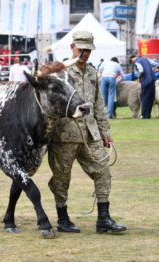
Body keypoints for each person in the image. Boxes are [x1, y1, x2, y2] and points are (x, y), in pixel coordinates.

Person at [48, 31, 127, 234]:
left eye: (87, 50)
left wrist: (105, 132)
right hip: (65, 135)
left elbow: (99, 104)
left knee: (103, 172)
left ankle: (104, 219)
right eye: (80, 49)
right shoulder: (60, 72)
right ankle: (63, 219)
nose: (84, 53)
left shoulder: (92, 72)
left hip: (91, 133)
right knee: (61, 178)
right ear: (72, 47)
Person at [130, 54, 156, 119]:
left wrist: (139, 77)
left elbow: (141, 70)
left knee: (144, 99)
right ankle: (148, 115)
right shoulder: (146, 59)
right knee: (150, 98)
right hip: (152, 80)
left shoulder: (137, 61)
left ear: (133, 58)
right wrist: (154, 70)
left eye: (132, 61)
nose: (133, 62)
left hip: (146, 82)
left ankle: (144, 115)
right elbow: (156, 64)